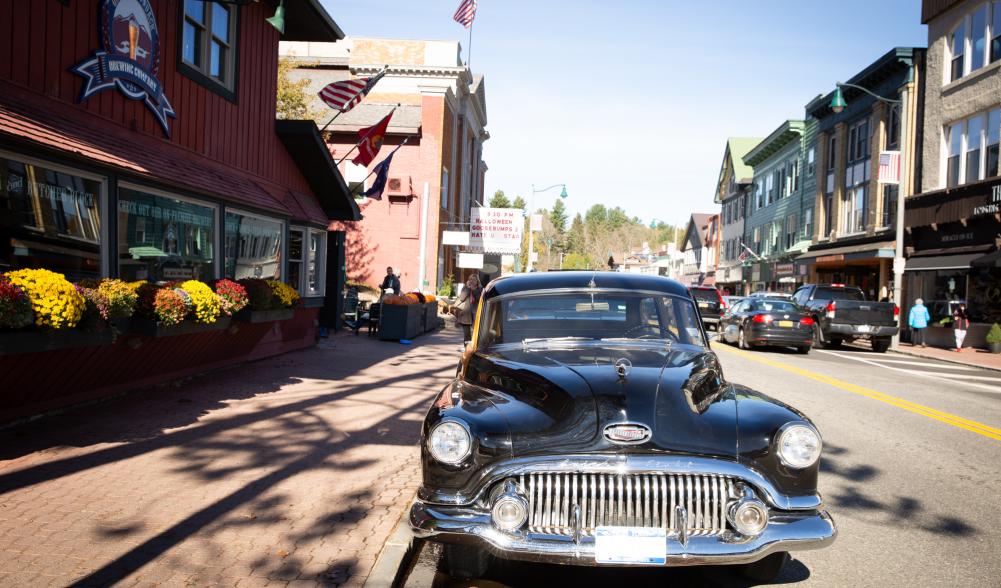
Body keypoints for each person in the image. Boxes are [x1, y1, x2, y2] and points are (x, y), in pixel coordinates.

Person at [454, 274, 483, 346]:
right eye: (471, 279)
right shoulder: (465, 287)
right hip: (466, 315)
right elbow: (462, 298)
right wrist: (467, 288)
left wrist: (474, 290)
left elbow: (480, 299)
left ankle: (475, 349)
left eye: (474, 280)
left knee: (475, 334)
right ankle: (466, 349)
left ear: (477, 281)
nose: (472, 281)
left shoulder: (480, 289)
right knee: (467, 336)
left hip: (476, 314)